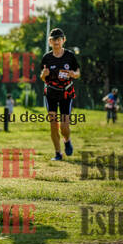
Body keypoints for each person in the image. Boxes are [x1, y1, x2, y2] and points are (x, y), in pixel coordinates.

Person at [40, 28, 80, 161]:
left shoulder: (70, 56)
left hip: (66, 93)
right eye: (53, 40)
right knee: (53, 125)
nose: (56, 42)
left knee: (64, 126)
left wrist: (74, 74)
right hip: (51, 93)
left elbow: (78, 73)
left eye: (58, 39)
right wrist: (43, 75)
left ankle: (67, 140)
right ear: (50, 42)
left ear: (63, 40)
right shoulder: (46, 57)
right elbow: (43, 77)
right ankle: (58, 153)